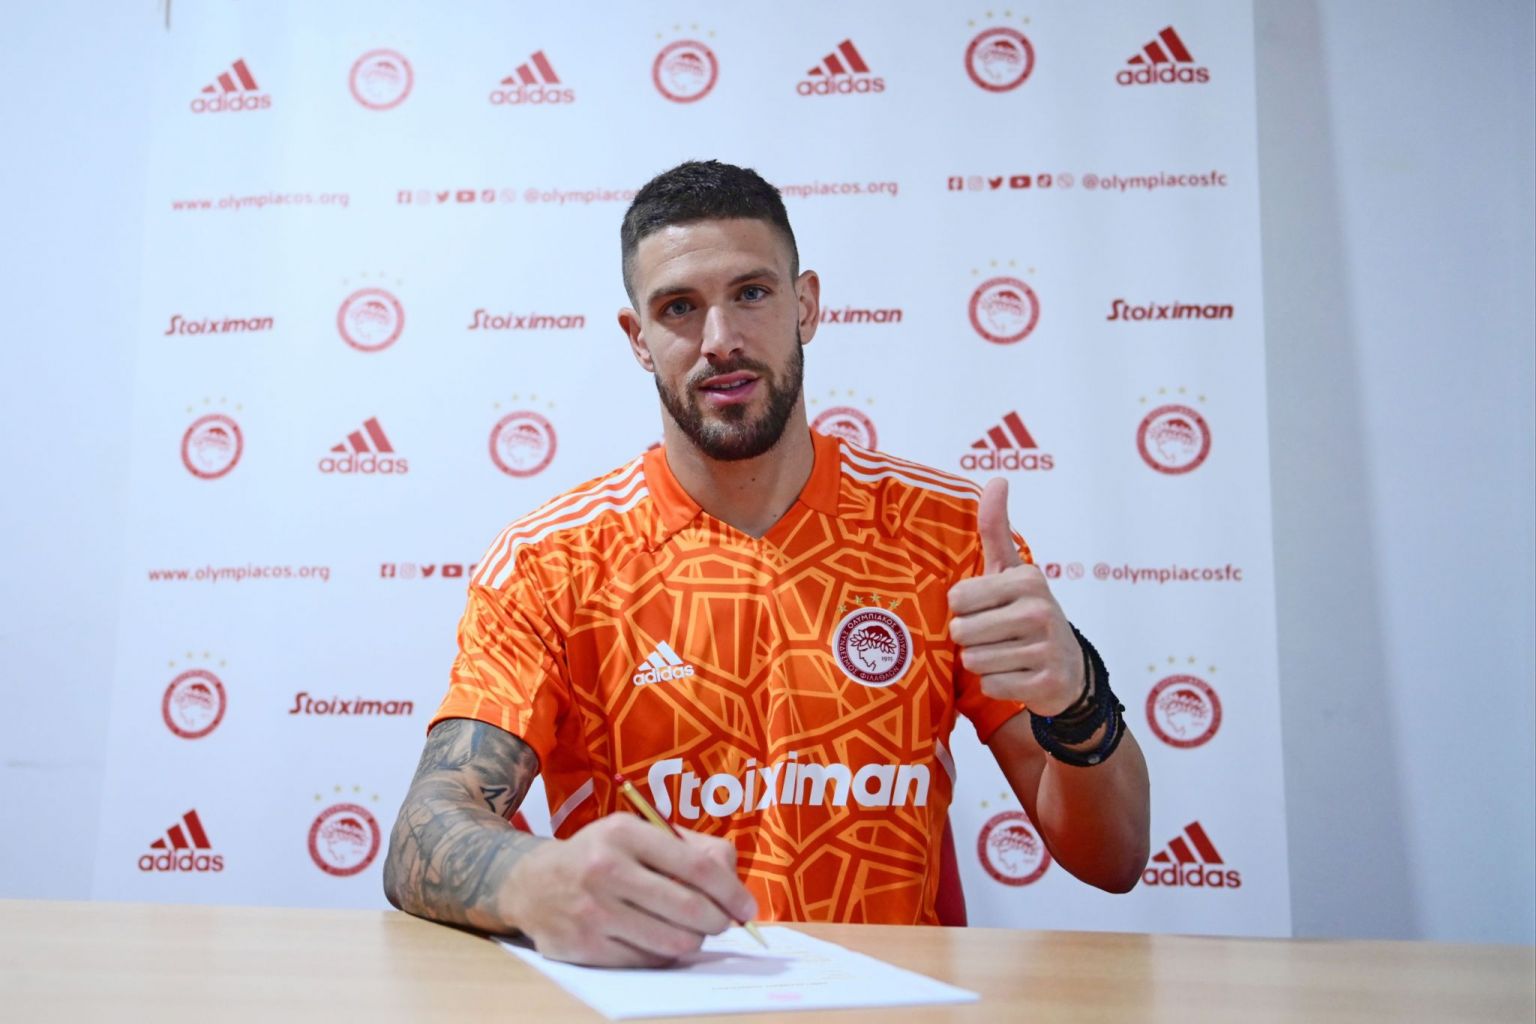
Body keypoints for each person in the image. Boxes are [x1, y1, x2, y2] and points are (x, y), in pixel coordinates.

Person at [383, 160, 1150, 966]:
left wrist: (1078, 701)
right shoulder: (551, 562)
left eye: (751, 293)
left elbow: (1115, 859)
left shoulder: (946, 535)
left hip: (893, 1008)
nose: (720, 340)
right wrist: (533, 880)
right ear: (638, 339)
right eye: (679, 308)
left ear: (806, 304)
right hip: (656, 1008)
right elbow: (422, 833)